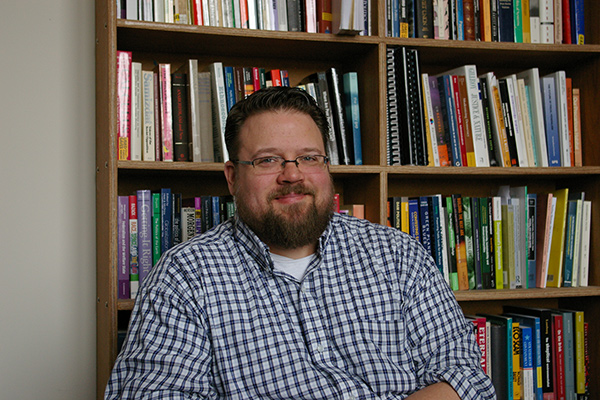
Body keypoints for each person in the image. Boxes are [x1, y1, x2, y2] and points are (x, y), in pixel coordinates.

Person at [105, 86, 495, 399]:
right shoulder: (185, 276)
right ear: (231, 177)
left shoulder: (396, 254)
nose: (292, 175)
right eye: (267, 160)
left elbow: (464, 377)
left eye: (308, 157)